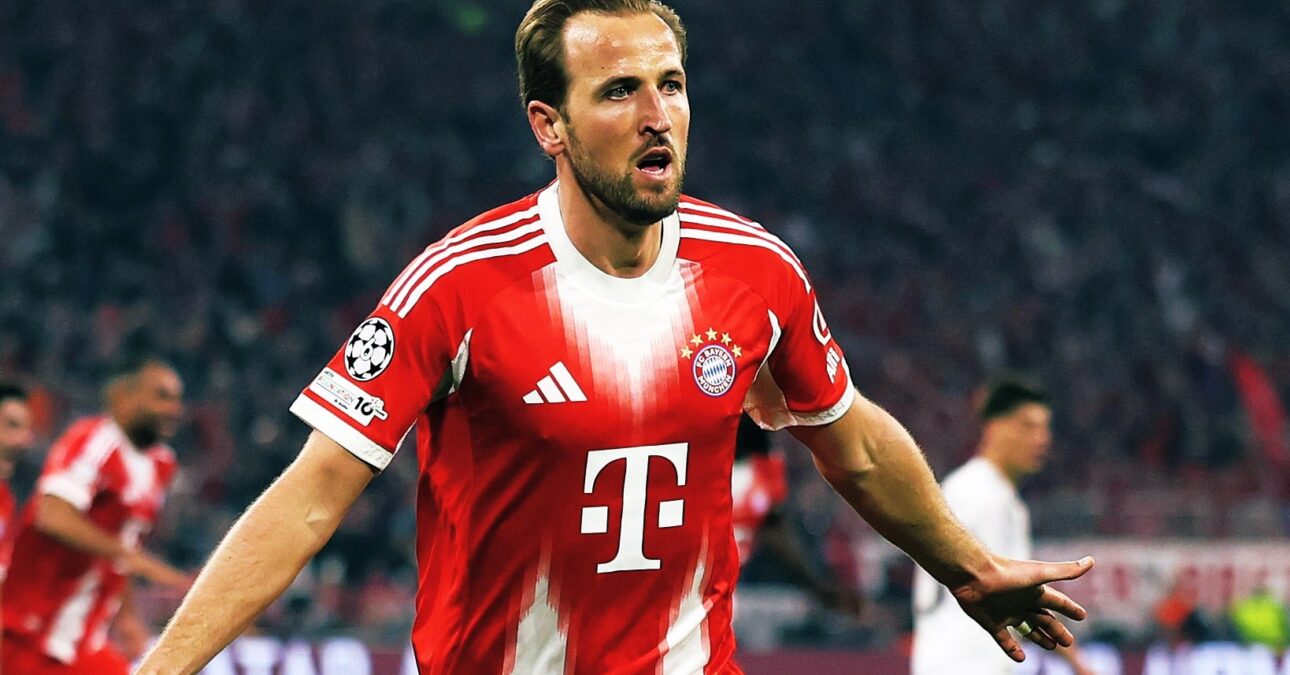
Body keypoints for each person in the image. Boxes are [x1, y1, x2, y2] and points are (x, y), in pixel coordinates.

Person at [137, 2, 1093, 673]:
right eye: (620, 91)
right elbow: (310, 497)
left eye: (671, 85)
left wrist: (968, 566)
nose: (656, 117)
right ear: (548, 125)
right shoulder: (460, 285)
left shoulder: (755, 271)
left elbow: (852, 442)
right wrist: (164, 667)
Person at [1, 357, 190, 675]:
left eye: (176, 399)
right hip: (31, 634)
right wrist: (134, 558)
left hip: (83, 640)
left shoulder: (161, 464)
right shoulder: (93, 441)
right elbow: (52, 514)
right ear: (123, 396)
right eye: (161, 396)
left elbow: (123, 546)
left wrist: (127, 615)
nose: (173, 409)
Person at [912, 379, 1094, 675]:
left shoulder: (985, 491)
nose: (1041, 439)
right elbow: (1012, 593)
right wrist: (1079, 665)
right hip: (965, 662)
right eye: (1028, 426)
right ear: (994, 428)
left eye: (1044, 428)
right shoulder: (981, 495)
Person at [731, 415, 862, 616]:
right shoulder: (711, 466)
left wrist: (818, 586)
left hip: (721, 590)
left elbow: (775, 530)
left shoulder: (762, 472)